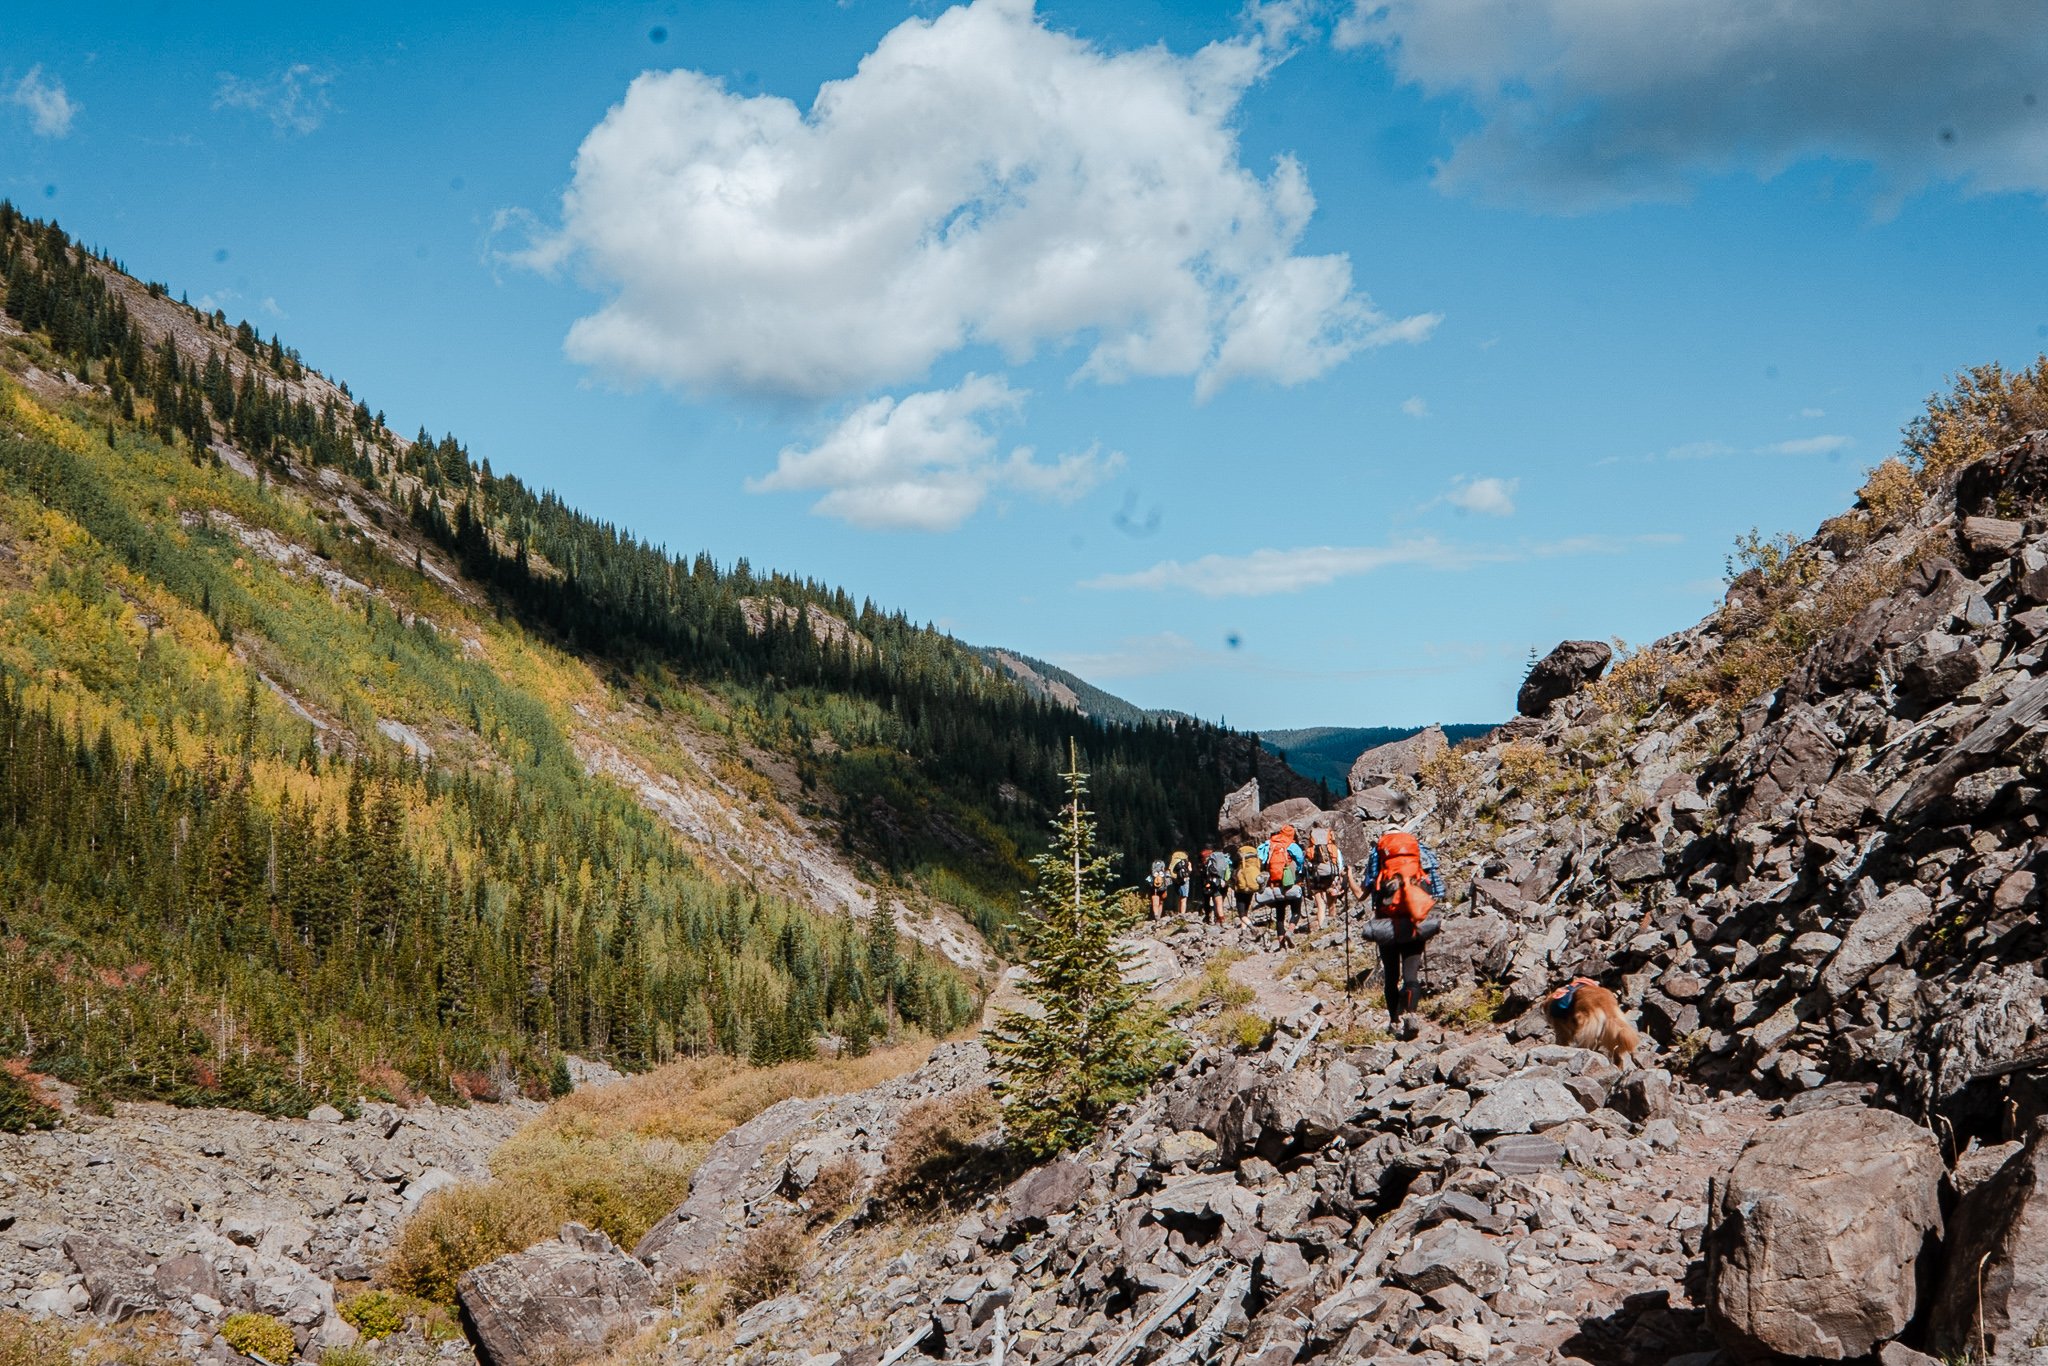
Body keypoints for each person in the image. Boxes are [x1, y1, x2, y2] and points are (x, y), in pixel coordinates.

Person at [1348, 824, 1446, 1030]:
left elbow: (1365, 893)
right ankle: (1411, 1014)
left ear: (1385, 838)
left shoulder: (1378, 854)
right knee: (1411, 974)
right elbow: (1437, 891)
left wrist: (1348, 876)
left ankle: (1394, 1021)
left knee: (1391, 975)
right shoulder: (1421, 850)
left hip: (1386, 923)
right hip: (1413, 923)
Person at [1257, 822, 1306, 948]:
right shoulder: (1292, 845)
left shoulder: (1269, 844)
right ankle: (1290, 931)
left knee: (1280, 914)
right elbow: (1301, 861)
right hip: (1290, 886)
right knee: (1296, 910)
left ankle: (1281, 943)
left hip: (1274, 885)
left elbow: (1260, 858)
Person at [1304, 824, 1345, 932]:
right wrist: (1339, 879)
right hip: (1331, 877)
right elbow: (1340, 865)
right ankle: (1332, 926)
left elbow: (1306, 867)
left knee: (1321, 906)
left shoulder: (1311, 850)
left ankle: (1321, 927)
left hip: (1316, 879)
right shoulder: (1334, 848)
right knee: (1332, 903)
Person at [1203, 847, 1235, 925]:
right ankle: (1218, 919)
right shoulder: (1225, 858)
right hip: (1225, 882)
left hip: (1215, 882)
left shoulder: (1212, 859)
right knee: (1221, 900)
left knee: (1217, 901)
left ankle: (1220, 919)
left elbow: (1209, 871)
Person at [1166, 849, 1194, 918]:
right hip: (1185, 880)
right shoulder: (1187, 862)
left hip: (1176, 880)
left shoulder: (1175, 861)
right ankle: (1182, 914)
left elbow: (1170, 870)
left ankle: (1179, 913)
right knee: (1184, 898)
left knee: (1179, 898)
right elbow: (1190, 870)